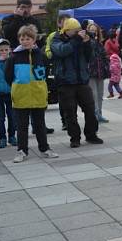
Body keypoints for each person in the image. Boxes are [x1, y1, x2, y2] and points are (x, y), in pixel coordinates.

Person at [4, 25, 58, 163]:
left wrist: (40, 86)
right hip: (21, 96)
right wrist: (17, 88)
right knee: (22, 126)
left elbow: (45, 73)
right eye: (22, 38)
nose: (25, 41)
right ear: (19, 39)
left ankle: (45, 148)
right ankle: (22, 151)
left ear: (34, 39)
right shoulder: (14, 57)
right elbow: (8, 76)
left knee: (40, 124)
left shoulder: (41, 55)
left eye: (28, 38)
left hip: (38, 95)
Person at [50, 18, 104, 148]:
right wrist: (77, 40)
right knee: (70, 113)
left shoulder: (79, 40)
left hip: (82, 81)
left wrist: (86, 44)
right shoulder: (56, 40)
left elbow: (89, 57)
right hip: (65, 82)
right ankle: (75, 138)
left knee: (90, 109)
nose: (78, 33)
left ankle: (91, 135)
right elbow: (62, 51)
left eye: (79, 31)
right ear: (67, 31)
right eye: (75, 31)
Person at [85, 23, 110, 123]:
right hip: (91, 71)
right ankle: (94, 114)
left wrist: (107, 64)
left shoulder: (99, 43)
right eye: (91, 30)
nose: (93, 32)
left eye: (95, 30)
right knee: (93, 94)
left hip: (100, 71)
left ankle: (99, 113)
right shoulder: (87, 42)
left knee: (100, 94)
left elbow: (104, 55)